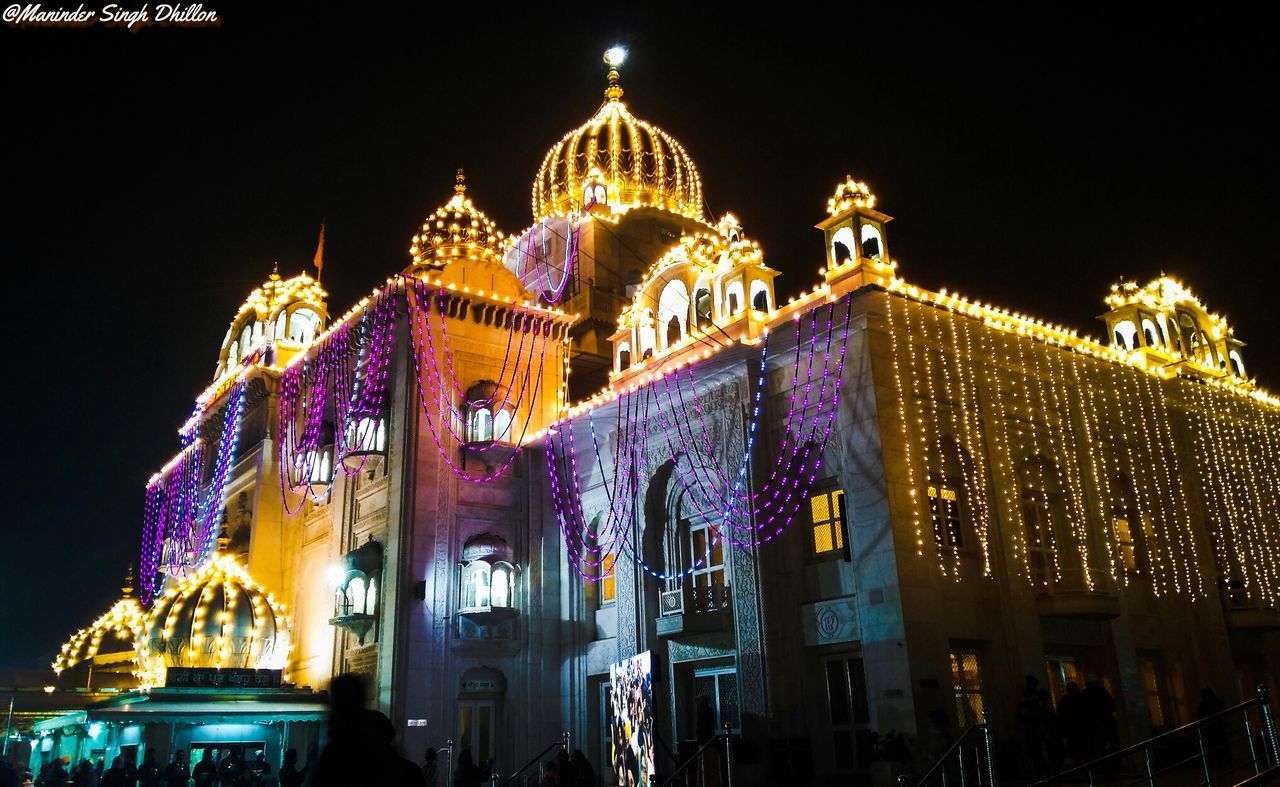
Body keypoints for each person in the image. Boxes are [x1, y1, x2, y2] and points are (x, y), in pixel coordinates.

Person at [1018, 676, 1049, 776]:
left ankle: (1041, 770)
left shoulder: (1034, 698)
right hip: (1033, 727)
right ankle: (1040, 769)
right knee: (1034, 750)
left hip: (1034, 727)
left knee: (1036, 750)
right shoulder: (1033, 698)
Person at [1198, 688, 1230, 768]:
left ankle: (1225, 763)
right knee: (1216, 748)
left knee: (1221, 747)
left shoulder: (1212, 704)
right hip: (1212, 730)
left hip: (1217, 729)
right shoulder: (1205, 705)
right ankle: (1220, 763)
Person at [1057, 682, 1087, 764]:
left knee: (1074, 753)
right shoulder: (1082, 698)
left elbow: (1060, 717)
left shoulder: (1064, 701)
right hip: (1082, 730)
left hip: (1070, 731)